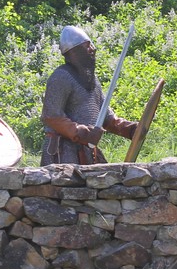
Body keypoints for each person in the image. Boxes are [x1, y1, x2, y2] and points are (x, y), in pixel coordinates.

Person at [40, 25, 137, 165]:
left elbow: (105, 117)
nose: (92, 49)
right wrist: (81, 132)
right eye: (86, 46)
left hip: (87, 151)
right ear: (74, 51)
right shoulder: (61, 77)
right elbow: (51, 116)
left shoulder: (92, 81)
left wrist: (129, 129)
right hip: (63, 153)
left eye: (91, 44)